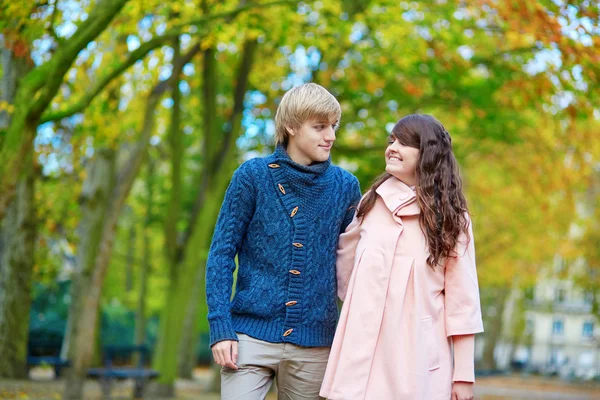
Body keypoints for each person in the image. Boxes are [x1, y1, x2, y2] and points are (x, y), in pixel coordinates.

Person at [206, 83, 362, 399]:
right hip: (248, 338)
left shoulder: (345, 187)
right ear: (291, 127)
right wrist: (221, 328)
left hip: (315, 346)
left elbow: (356, 262)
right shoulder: (252, 176)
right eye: (319, 127)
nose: (330, 136)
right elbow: (222, 253)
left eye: (333, 126)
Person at [320, 114, 484, 400]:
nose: (392, 147)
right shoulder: (371, 203)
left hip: (417, 358)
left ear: (428, 154)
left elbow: (463, 303)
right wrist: (364, 310)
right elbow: (343, 265)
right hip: (362, 355)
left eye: (404, 142)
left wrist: (464, 375)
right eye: (391, 140)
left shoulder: (452, 219)